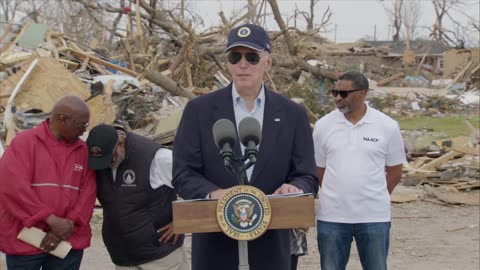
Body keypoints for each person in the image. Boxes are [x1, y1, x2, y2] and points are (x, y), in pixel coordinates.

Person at [172, 23, 319, 270]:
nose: (243, 64)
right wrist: (214, 194)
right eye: (235, 56)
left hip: (271, 247)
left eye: (252, 57)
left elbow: (307, 176)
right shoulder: (199, 111)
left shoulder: (293, 114)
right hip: (215, 245)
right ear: (228, 63)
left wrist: (295, 188)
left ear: (268, 62)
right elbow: (183, 173)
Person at [313, 71, 406, 270]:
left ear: (362, 94)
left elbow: (395, 172)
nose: (338, 98)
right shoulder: (323, 126)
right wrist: (337, 194)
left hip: (374, 217)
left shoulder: (387, 126)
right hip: (332, 218)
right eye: (335, 92)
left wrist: (375, 196)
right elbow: (319, 170)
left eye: (344, 93)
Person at [0, 95, 97, 270]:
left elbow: (88, 193)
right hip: (25, 240)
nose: (84, 131)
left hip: (68, 240)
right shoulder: (24, 143)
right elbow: (13, 189)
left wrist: (68, 224)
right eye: (82, 124)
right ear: (63, 119)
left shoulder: (83, 151)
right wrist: (50, 219)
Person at [86, 124, 189, 270]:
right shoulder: (99, 159)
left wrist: (182, 220)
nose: (107, 165)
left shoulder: (157, 157)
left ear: (120, 143)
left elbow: (197, 186)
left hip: (161, 259)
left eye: (111, 158)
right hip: (123, 259)